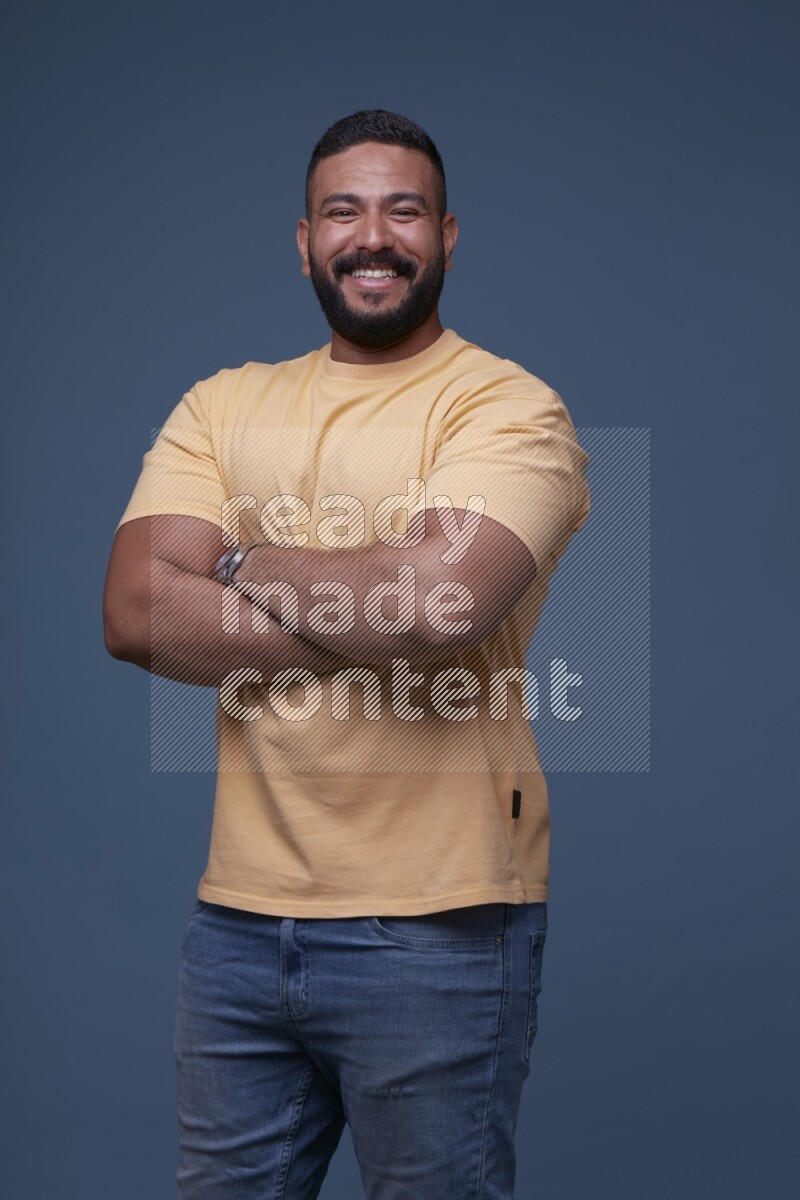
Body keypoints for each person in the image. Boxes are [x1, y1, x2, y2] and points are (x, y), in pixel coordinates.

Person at [103, 109, 590, 1200]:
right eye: (343, 211)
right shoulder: (222, 405)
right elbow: (135, 611)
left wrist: (232, 564)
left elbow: (441, 603)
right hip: (235, 922)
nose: (372, 236)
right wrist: (371, 601)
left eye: (402, 210)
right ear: (304, 238)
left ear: (448, 235)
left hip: (441, 928)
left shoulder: (504, 407)